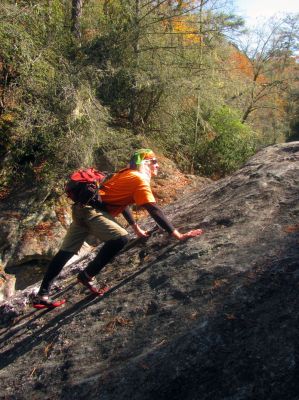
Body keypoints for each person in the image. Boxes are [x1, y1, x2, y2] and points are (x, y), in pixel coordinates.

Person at [32, 148, 203, 308]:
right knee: (120, 239)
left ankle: (42, 295)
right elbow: (153, 209)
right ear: (145, 163)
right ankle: (87, 275)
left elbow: (123, 202)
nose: (157, 165)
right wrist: (178, 235)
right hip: (92, 213)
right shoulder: (139, 179)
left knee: (65, 252)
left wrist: (136, 228)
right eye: (154, 161)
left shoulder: (126, 173)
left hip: (81, 210)